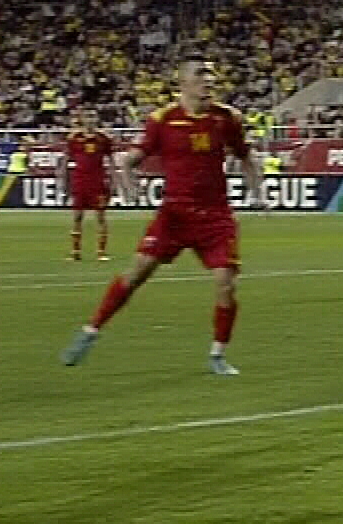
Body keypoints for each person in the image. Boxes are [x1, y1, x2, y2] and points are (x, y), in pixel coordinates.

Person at [63, 60, 265, 375]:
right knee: (136, 274)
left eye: (211, 76)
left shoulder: (226, 118)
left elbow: (245, 155)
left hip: (215, 215)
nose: (208, 82)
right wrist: (128, 178)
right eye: (201, 76)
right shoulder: (163, 120)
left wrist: (258, 189)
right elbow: (132, 158)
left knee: (226, 284)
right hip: (174, 215)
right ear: (182, 83)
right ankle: (91, 331)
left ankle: (217, 355)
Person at [59, 110, 119, 262]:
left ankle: (101, 252)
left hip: (98, 182)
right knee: (77, 217)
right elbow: (65, 161)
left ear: (97, 119)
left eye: (93, 116)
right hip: (79, 181)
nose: (90, 120)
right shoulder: (74, 138)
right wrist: (63, 180)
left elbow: (111, 161)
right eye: (87, 116)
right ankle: (75, 251)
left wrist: (114, 180)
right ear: (82, 119)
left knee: (100, 216)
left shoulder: (103, 138)